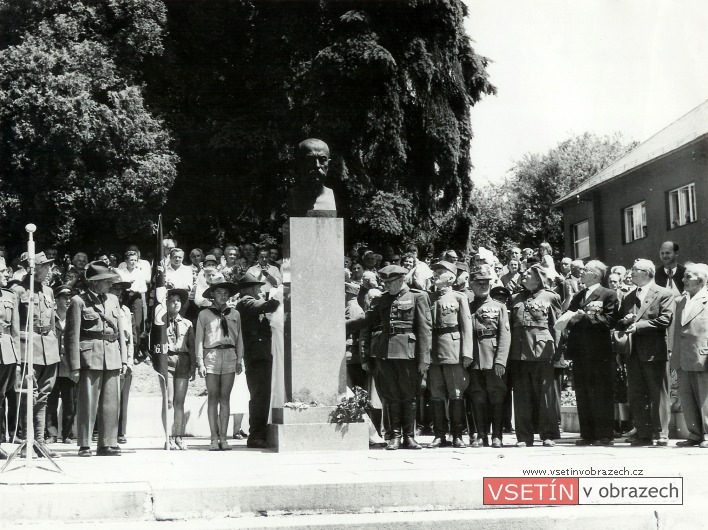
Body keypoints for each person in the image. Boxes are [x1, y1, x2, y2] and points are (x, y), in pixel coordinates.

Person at [360, 265, 432, 450]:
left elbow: (425, 329)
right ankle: (395, 436)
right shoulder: (381, 300)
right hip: (384, 352)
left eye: (390, 283)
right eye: (384, 282)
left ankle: (409, 436)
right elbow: (366, 325)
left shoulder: (418, 297)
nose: (386, 286)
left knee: (409, 395)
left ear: (401, 280)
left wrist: (424, 358)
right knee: (390, 395)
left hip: (408, 353)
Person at [65, 262, 127, 457]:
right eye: (106, 281)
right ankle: (84, 443)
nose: (110, 284)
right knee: (87, 402)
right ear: (93, 283)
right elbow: (71, 336)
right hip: (90, 356)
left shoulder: (113, 300)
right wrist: (74, 366)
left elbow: (120, 333)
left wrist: (123, 359)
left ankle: (108, 443)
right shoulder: (78, 301)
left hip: (112, 355)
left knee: (111, 402)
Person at [615, 259, 675, 446]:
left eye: (635, 270)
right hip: (632, 353)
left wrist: (637, 326)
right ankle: (643, 433)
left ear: (648, 272)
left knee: (658, 393)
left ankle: (661, 433)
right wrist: (624, 321)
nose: (631, 273)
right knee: (636, 393)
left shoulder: (664, 293)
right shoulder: (628, 297)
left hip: (654, 351)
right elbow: (619, 323)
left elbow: (665, 320)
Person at [564, 260, 619, 446]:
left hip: (599, 351)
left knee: (601, 392)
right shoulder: (579, 295)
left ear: (596, 274)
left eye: (586, 270)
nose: (582, 272)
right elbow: (569, 318)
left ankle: (604, 434)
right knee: (583, 391)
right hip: (580, 350)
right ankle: (587, 434)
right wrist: (577, 317)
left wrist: (584, 316)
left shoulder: (608, 294)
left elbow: (608, 321)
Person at [11, 251, 61, 457]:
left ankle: (39, 441)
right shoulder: (17, 290)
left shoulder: (48, 291)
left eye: (49, 266)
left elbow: (52, 322)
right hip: (27, 347)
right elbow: (13, 323)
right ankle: (26, 440)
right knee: (28, 395)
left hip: (48, 347)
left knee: (44, 395)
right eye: (44, 266)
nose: (49, 270)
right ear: (33, 268)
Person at [509, 264, 562, 447]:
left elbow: (557, 327)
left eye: (528, 273)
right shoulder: (515, 298)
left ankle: (547, 435)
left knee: (545, 397)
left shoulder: (551, 297)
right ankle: (524, 437)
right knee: (522, 397)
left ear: (538, 278)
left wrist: (557, 353)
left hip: (543, 352)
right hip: (519, 353)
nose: (524, 275)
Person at [426, 261, 473, 449]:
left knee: (456, 393)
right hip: (433, 350)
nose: (435, 274)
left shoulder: (459, 298)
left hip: (453, 349)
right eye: (435, 271)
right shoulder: (428, 298)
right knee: (436, 394)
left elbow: (466, 326)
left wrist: (467, 352)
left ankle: (457, 435)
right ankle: (439, 435)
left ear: (451, 278)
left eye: (440, 272)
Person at [196, 278, 244, 451]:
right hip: (212, 355)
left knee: (225, 398)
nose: (223, 296)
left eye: (226, 293)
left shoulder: (235, 314)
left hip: (230, 356)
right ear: (212, 295)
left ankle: (224, 438)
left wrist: (239, 359)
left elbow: (239, 338)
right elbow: (199, 339)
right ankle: (213, 438)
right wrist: (200, 362)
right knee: (212, 397)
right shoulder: (204, 314)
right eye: (219, 293)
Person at [234, 273, 280, 449]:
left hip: (261, 353)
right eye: (258, 288)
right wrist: (282, 293)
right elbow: (270, 305)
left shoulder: (249, 303)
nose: (260, 291)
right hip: (257, 354)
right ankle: (256, 435)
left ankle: (260, 433)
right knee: (260, 395)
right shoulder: (246, 302)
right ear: (251, 288)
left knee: (263, 395)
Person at [468, 265, 511, 448]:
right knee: (477, 397)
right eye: (479, 283)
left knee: (497, 397)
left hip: (493, 358)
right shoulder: (467, 305)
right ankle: (481, 435)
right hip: (473, 358)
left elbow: (505, 334)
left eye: (486, 282)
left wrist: (501, 360)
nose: (483, 286)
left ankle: (497, 435)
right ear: (471, 284)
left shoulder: (498, 306)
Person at [672, 263, 708, 447]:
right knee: (687, 396)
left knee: (705, 396)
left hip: (702, 356)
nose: (683, 280)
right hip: (682, 355)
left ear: (701, 280)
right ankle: (694, 434)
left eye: (688, 277)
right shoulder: (681, 301)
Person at [162, 288, 196, 450]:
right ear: (166, 303)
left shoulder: (187, 324)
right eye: (171, 300)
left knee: (179, 402)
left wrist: (194, 366)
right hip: (167, 360)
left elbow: (192, 346)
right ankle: (167, 436)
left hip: (183, 361)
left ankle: (178, 436)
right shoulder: (160, 322)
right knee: (168, 401)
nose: (175, 303)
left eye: (178, 300)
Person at [45, 285, 77, 445]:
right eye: (64, 298)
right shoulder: (51, 318)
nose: (68, 301)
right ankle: (51, 434)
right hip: (53, 365)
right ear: (56, 300)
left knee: (70, 402)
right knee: (50, 401)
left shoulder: (74, 318)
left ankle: (67, 434)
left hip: (69, 367)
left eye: (70, 297)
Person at [109, 272, 134, 446]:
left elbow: (130, 338)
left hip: (123, 356)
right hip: (109, 354)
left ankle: (120, 431)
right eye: (115, 288)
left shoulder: (125, 311)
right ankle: (102, 431)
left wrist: (130, 361)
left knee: (122, 398)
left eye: (120, 289)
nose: (118, 292)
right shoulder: (104, 307)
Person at [288, 138, 336, 217]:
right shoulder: (294, 196)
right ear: (298, 164)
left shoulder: (331, 197)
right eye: (310, 160)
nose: (317, 165)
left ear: (328, 164)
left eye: (322, 160)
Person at [0, 281, 19, 459]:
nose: (6, 274)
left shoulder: (9, 296)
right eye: (1, 271)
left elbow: (15, 330)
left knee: (1, 396)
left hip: (5, 352)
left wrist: (18, 359)